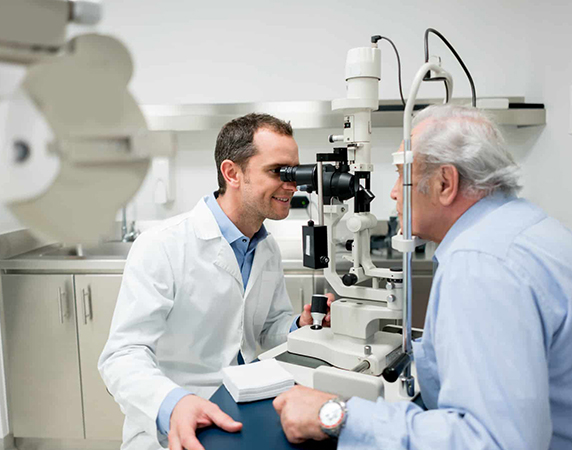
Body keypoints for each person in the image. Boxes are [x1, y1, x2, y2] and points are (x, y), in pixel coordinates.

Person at [273, 104, 572, 449]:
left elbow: (491, 442)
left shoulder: (480, 264)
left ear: (446, 182)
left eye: (403, 174)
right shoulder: (526, 226)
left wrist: (337, 413)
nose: (394, 191)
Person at [99, 113, 332, 450]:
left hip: (246, 406)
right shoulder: (162, 245)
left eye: (294, 170)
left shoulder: (266, 246)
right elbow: (122, 355)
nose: (292, 183)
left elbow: (266, 327)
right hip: (177, 422)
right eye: (277, 171)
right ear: (232, 173)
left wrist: (299, 324)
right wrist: (173, 403)